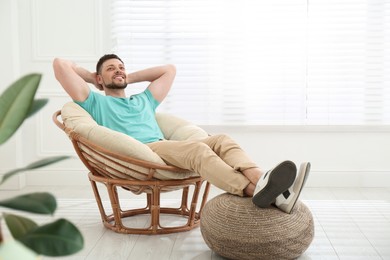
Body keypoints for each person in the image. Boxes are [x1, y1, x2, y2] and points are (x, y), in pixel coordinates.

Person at [53, 54, 310, 214]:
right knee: (198, 149)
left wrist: (126, 76)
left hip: (164, 146)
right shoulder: (95, 102)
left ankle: (266, 185)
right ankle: (256, 190)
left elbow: (169, 69)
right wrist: (91, 77)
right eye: (111, 68)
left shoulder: (143, 100)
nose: (118, 70)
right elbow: (60, 64)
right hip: (145, 151)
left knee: (220, 139)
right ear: (99, 78)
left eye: (121, 66)